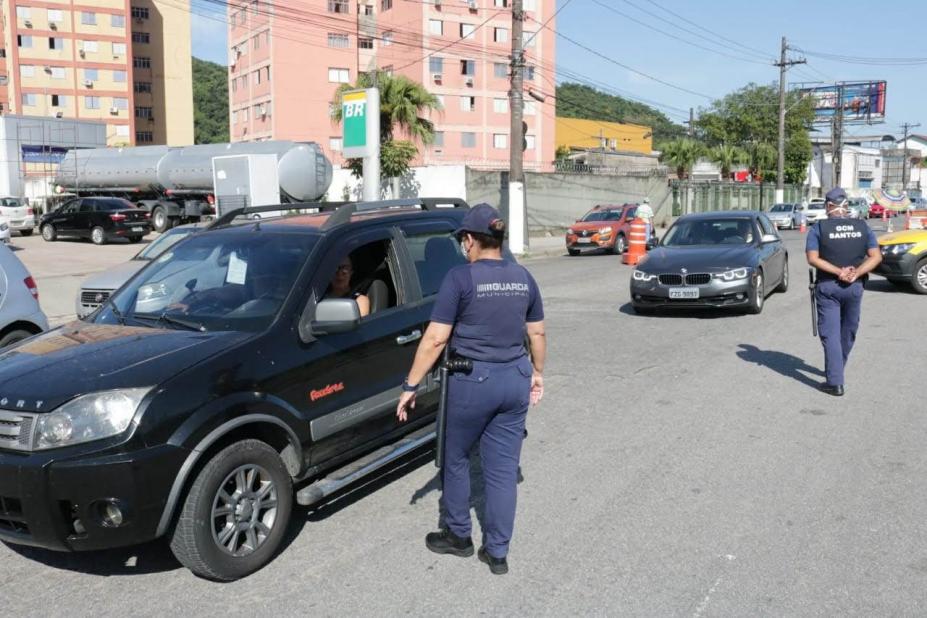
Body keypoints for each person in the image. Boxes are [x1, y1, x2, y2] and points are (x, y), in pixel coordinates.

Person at [395, 203, 546, 575]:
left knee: (457, 457)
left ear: (469, 240)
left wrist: (410, 385)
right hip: (515, 379)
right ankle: (497, 553)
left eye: (464, 239)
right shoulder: (523, 277)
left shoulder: (460, 279)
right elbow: (537, 332)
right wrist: (538, 373)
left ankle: (459, 536)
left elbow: (434, 339)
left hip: (473, 381)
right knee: (501, 470)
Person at [805, 187, 882, 396]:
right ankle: (837, 367)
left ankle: (835, 381)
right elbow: (876, 257)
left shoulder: (819, 228)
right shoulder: (862, 226)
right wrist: (855, 273)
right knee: (848, 331)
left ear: (828, 206)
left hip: (828, 286)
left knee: (830, 334)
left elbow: (813, 258)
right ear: (846, 205)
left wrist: (839, 272)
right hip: (855, 287)